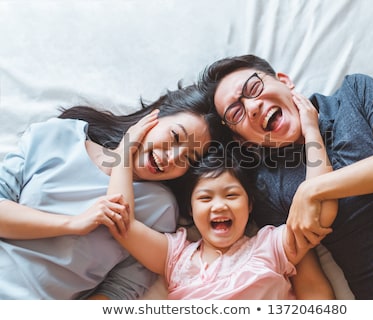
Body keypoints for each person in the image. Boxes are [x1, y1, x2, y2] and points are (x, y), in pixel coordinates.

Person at [197, 54, 373, 299]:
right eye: (235, 113)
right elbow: (311, 284)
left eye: (254, 87)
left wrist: (311, 190)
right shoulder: (267, 189)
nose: (252, 107)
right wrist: (311, 136)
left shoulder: (356, 92)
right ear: (242, 141)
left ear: (284, 81)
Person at [0, 84, 225, 299]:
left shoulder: (159, 207)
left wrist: (122, 160)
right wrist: (72, 224)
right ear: (154, 117)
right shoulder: (58, 134)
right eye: (175, 137)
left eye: (188, 158)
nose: (173, 157)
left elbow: (121, 291)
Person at [105, 95, 337, 299]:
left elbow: (320, 209)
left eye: (232, 195)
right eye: (205, 198)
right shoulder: (176, 257)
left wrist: (311, 133)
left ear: (250, 205)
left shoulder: (271, 247)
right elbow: (121, 220)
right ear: (190, 210)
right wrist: (125, 151)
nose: (219, 206)